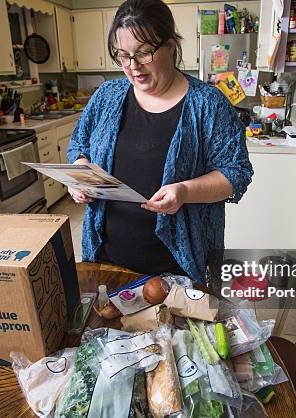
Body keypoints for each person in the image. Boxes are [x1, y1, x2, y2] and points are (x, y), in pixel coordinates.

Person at [67, 0, 253, 283]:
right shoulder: (107, 95)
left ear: (171, 45)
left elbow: (236, 173)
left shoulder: (208, 104)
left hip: (179, 265)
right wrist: (80, 174)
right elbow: (79, 143)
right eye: (123, 55)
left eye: (144, 53)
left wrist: (184, 192)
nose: (133, 66)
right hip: (107, 257)